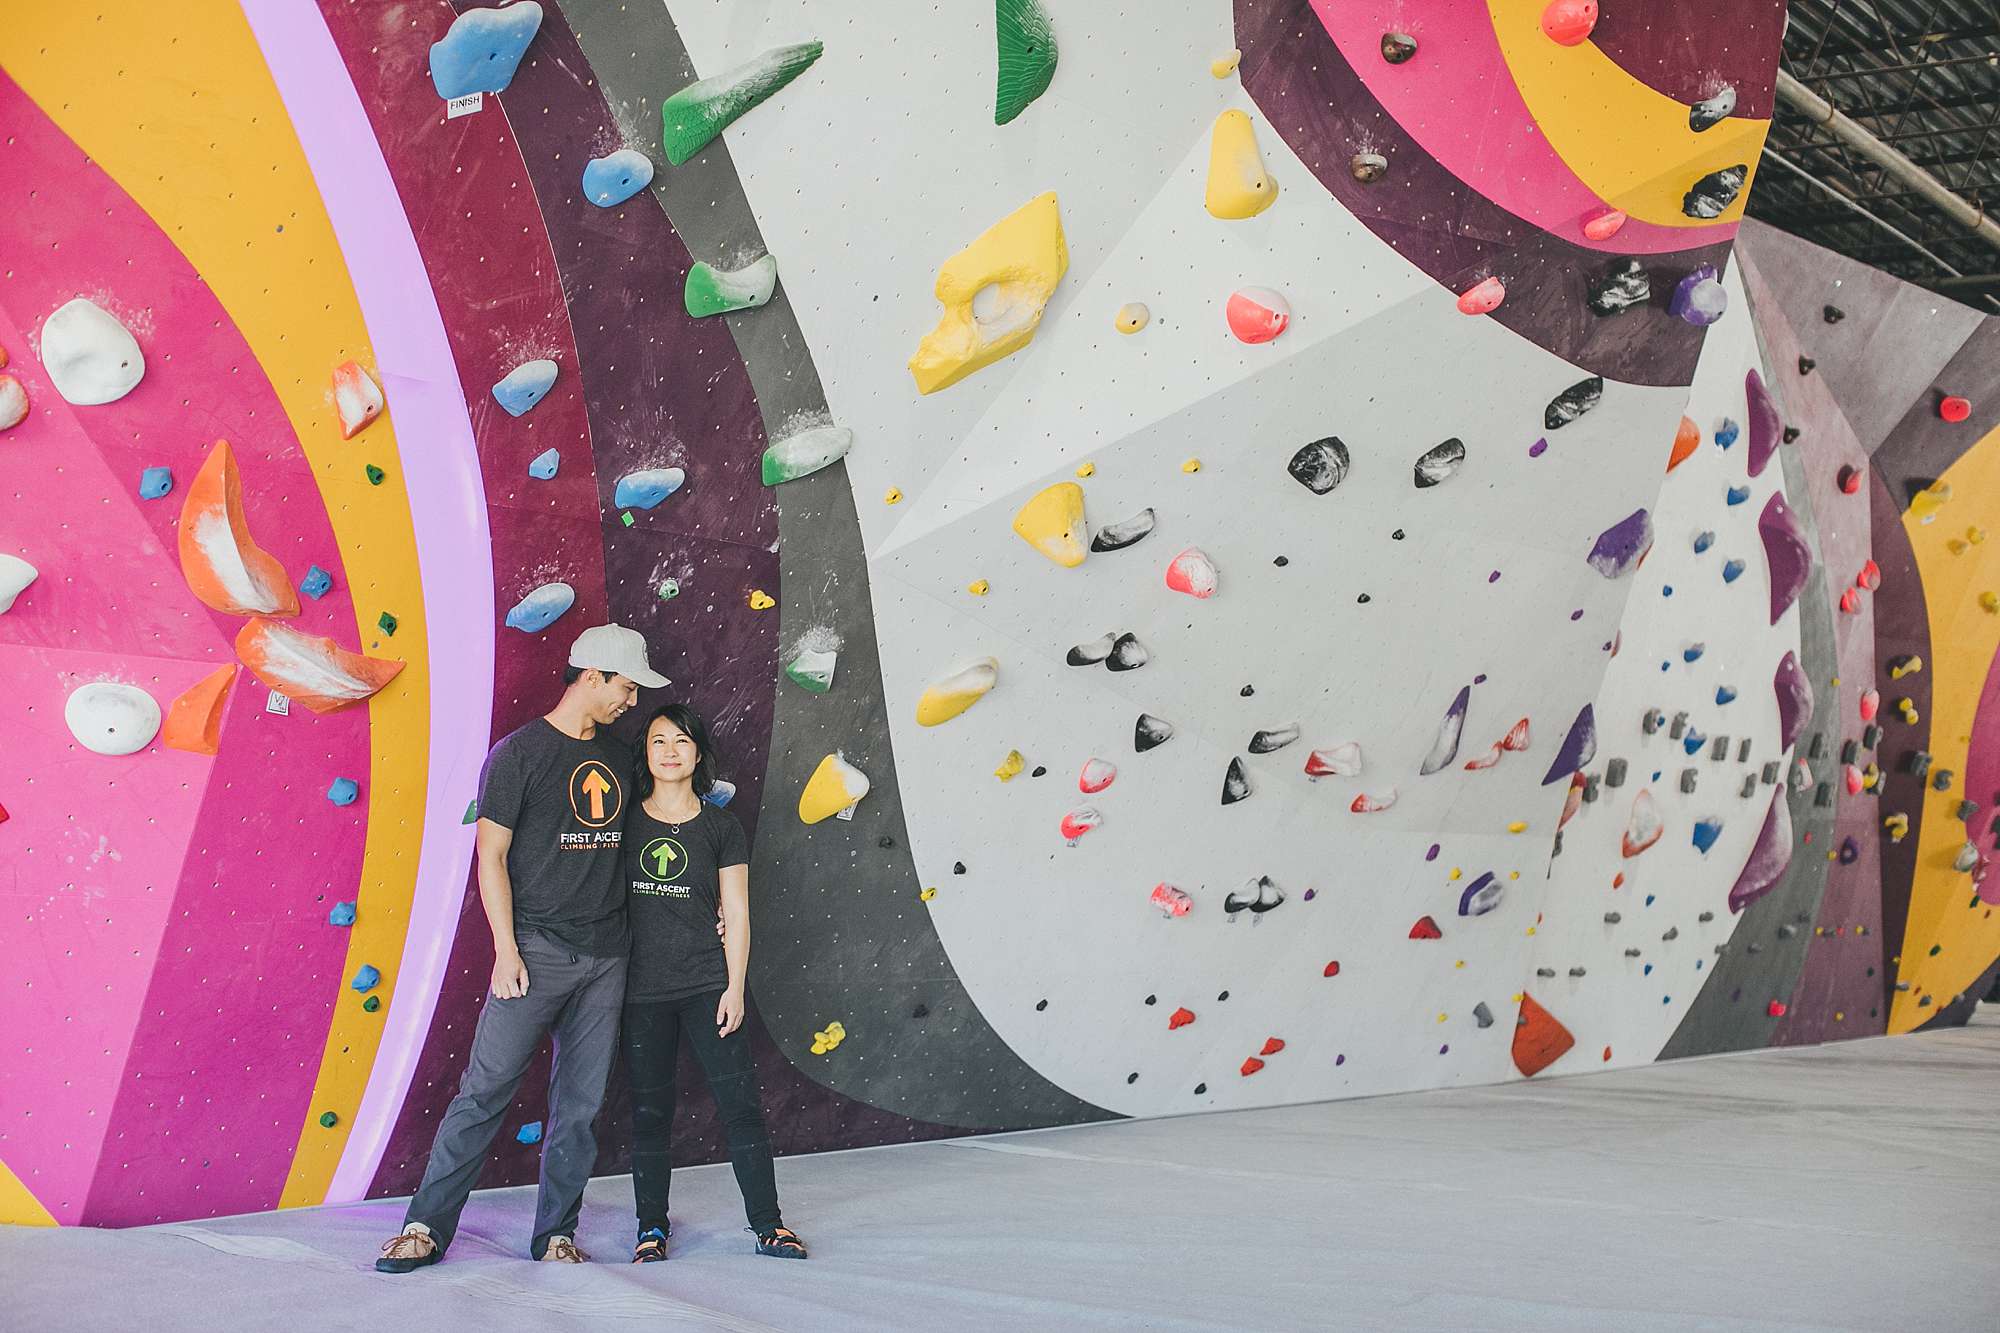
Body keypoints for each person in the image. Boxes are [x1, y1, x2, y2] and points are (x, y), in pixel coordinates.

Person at [375, 624, 668, 1273]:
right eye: (626, 687)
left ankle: (555, 1234)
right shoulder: (518, 754)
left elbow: (649, 841)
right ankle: (424, 1227)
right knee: (483, 1093)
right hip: (535, 951)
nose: (632, 701)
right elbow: (491, 857)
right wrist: (506, 950)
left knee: (580, 1109)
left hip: (607, 958)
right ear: (592, 676)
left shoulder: (621, 757)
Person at [622, 702, 807, 1262]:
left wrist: (734, 986)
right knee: (650, 1116)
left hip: (708, 984)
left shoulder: (720, 827)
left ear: (698, 753)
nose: (670, 752)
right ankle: (651, 1230)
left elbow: (738, 911)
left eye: (681, 741)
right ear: (645, 754)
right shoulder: (623, 821)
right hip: (640, 993)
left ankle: (769, 1226)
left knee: (741, 1109)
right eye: (658, 741)